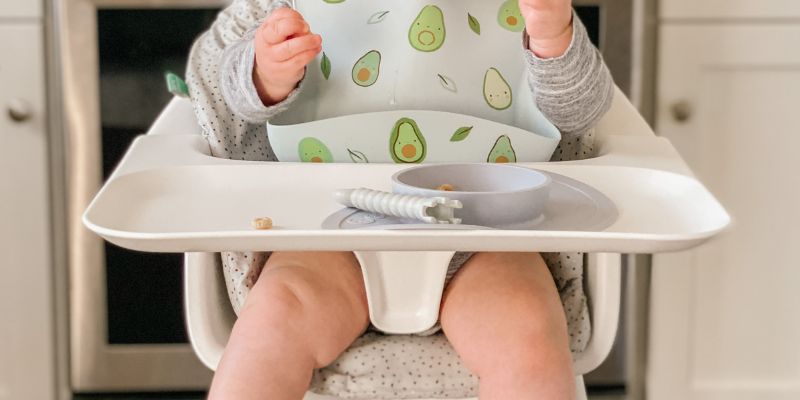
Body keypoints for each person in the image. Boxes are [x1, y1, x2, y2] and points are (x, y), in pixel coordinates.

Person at [186, 0, 614, 398]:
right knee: (273, 323)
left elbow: (580, 114)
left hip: (486, 232)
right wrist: (266, 75)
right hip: (330, 228)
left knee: (527, 335)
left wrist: (551, 38)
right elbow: (231, 100)